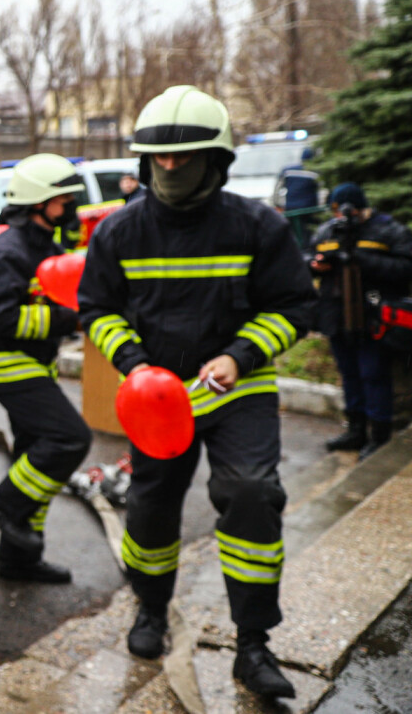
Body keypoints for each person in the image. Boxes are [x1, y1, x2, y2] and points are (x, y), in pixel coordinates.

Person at [77, 85, 316, 701]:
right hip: (158, 399)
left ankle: (253, 645)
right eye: (160, 157)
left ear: (216, 159)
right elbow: (96, 307)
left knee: (251, 494)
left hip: (238, 391)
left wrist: (240, 356)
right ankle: (151, 609)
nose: (170, 167)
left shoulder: (258, 226)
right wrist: (135, 367)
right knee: (151, 508)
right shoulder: (118, 232)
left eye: (183, 157)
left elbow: (295, 305)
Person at [0, 153, 93, 584]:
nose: (71, 208)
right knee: (69, 438)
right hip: (8, 365)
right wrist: (67, 320)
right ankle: (3, 505)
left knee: (32, 459)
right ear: (39, 202)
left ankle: (19, 560)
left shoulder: (46, 247)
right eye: (64, 200)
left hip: (35, 364)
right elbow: (2, 320)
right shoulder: (9, 250)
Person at [310, 182, 412, 460]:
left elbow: (406, 267)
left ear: (361, 208)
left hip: (373, 316)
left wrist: (360, 260)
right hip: (337, 316)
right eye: (335, 211)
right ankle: (355, 430)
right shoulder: (328, 230)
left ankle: (379, 435)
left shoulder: (388, 230)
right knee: (350, 374)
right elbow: (307, 255)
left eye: (347, 211)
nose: (342, 216)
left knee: (373, 374)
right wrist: (316, 264)